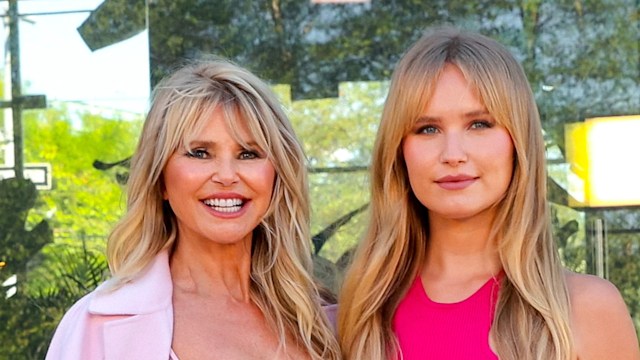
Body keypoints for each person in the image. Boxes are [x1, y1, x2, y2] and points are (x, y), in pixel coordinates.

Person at [337, 27, 640, 360]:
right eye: (427, 129)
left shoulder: (587, 310)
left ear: (517, 141)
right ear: (398, 150)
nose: (453, 153)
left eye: (479, 124)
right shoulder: (360, 313)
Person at [46, 58, 341, 360]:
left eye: (248, 153)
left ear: (276, 176)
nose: (227, 175)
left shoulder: (327, 322)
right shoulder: (96, 326)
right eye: (200, 153)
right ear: (160, 178)